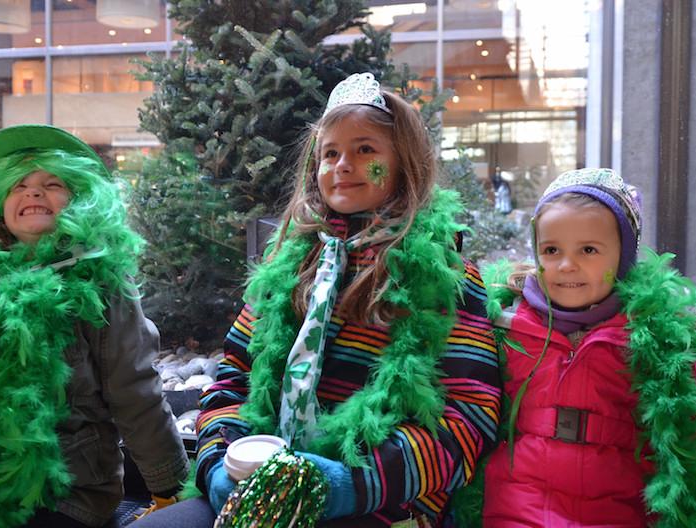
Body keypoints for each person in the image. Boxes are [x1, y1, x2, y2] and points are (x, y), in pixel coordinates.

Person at [132, 72, 502, 527]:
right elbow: (233, 381)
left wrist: (346, 485)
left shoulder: (446, 275)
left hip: (380, 502)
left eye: (365, 150)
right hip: (263, 488)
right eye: (330, 153)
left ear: (404, 164)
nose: (343, 165)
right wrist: (218, 467)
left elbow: (470, 418)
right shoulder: (288, 267)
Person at [0, 125, 189, 528]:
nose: (33, 193)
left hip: (67, 493)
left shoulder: (100, 282)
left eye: (52, 184)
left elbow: (136, 391)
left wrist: (169, 486)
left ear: (80, 199)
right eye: (18, 185)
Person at [472, 168, 696, 527]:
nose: (567, 265)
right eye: (551, 250)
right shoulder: (504, 326)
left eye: (589, 250)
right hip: (515, 512)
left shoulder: (659, 345)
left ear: (623, 257)